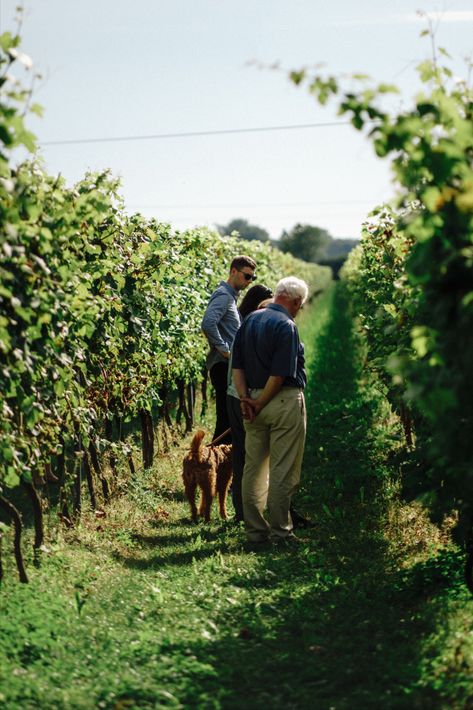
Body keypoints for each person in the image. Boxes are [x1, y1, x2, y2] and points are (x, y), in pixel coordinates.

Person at [232, 276, 308, 545]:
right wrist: (261, 401)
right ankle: (280, 532)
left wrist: (245, 399)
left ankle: (255, 531)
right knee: (282, 467)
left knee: (253, 467)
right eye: (301, 305)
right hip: (281, 401)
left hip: (250, 400)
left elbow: (237, 365)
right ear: (296, 301)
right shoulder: (286, 325)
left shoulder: (250, 319)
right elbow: (279, 375)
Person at [226, 284, 274, 522]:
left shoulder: (242, 324)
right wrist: (250, 397)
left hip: (233, 394)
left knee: (241, 453)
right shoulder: (255, 327)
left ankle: (242, 511)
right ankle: (252, 512)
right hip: (244, 395)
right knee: (254, 455)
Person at [201, 255, 257, 445]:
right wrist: (225, 350)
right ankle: (212, 466)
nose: (249, 282)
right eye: (247, 276)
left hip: (227, 365)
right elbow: (208, 323)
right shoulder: (224, 296)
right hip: (223, 365)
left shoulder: (230, 297)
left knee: (228, 419)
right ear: (233, 271)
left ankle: (219, 464)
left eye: (252, 278)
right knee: (226, 420)